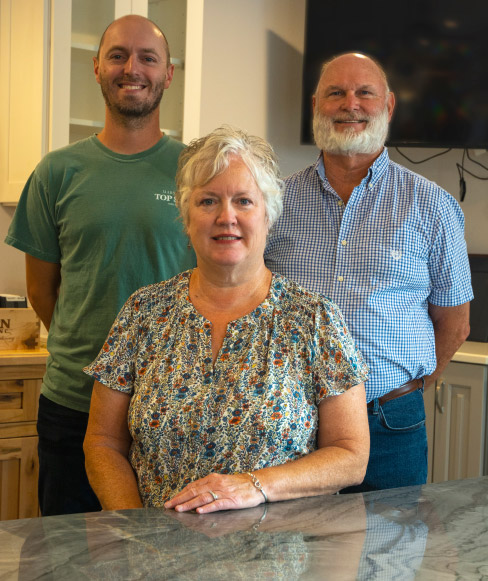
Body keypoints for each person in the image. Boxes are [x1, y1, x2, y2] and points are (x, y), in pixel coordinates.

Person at [83, 125, 370, 513]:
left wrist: (253, 486)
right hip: (158, 558)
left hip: (278, 561)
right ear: (186, 219)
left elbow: (351, 456)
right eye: (207, 202)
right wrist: (136, 528)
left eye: (244, 201)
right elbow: (103, 443)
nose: (226, 217)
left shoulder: (314, 319)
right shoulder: (143, 312)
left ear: (269, 215)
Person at [4, 15, 195, 515]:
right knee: (68, 558)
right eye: (118, 55)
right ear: (96, 67)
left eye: (148, 57)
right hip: (74, 401)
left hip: (171, 408)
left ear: (168, 73)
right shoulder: (56, 172)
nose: (132, 68)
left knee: (166, 559)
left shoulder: (197, 172)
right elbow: (43, 292)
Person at [265, 52, 473, 492]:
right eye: (335, 93)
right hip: (287, 421)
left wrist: (408, 389)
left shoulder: (432, 206)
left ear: (390, 106)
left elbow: (455, 324)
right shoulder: (273, 205)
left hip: (390, 424)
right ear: (315, 104)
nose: (350, 104)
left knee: (388, 555)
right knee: (290, 556)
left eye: (365, 93)